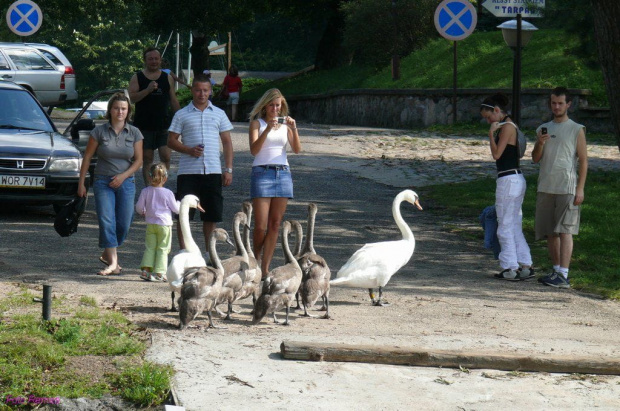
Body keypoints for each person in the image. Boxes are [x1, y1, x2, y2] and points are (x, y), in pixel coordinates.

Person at [77, 92, 144, 276]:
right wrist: (81, 183)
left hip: (126, 181)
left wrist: (123, 176)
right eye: (116, 108)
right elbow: (88, 157)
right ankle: (113, 262)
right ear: (110, 110)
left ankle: (107, 252)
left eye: (123, 108)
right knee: (107, 220)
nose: (120, 111)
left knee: (125, 221)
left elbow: (139, 161)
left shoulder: (135, 132)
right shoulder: (99, 131)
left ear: (128, 110)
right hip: (102, 181)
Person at [167, 73, 234, 255]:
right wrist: (188, 150)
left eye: (205, 90)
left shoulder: (219, 114)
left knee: (211, 214)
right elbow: (171, 140)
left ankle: (209, 252)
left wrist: (228, 169)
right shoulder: (182, 114)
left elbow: (227, 142)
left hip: (212, 171)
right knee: (184, 213)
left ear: (210, 91)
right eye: (198, 90)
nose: (201, 94)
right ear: (192, 91)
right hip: (188, 172)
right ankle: (184, 251)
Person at [532, 87, 588, 288]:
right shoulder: (543, 129)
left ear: (568, 104)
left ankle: (564, 273)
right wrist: (539, 143)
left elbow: (583, 161)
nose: (556, 106)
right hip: (546, 186)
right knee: (550, 232)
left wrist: (580, 188)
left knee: (566, 230)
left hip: (567, 186)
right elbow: (535, 158)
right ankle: (556, 271)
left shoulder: (576, 129)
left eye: (560, 103)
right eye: (553, 103)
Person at [248, 88, 302, 276]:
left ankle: (265, 268)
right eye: (271, 105)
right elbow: (254, 150)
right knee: (261, 225)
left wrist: (294, 129)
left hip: (283, 172)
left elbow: (296, 149)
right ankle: (255, 258)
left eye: (278, 105)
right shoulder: (257, 124)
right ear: (265, 105)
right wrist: (268, 129)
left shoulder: (286, 125)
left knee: (275, 224)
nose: (275, 109)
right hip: (262, 172)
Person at [480, 93, 533, 281]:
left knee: (504, 226)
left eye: (489, 117)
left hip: (508, 179)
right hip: (516, 178)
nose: (488, 121)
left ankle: (510, 267)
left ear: (496, 110)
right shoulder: (511, 125)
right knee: (514, 225)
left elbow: (496, 154)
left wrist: (490, 135)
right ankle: (525, 264)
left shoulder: (507, 128)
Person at [128, 47, 180, 185]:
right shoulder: (137, 77)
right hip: (144, 125)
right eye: (150, 59)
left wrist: (181, 118)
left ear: (160, 60)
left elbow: (173, 99)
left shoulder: (167, 77)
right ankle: (149, 188)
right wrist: (147, 90)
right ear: (145, 60)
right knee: (147, 158)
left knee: (166, 156)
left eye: (156, 59)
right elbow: (131, 98)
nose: (154, 61)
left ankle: (161, 185)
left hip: (164, 124)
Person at [135, 163, 180, 282]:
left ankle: (146, 270)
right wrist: (180, 204)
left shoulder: (145, 191)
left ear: (149, 177)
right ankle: (160, 272)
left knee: (150, 247)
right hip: (164, 225)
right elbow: (175, 209)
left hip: (151, 224)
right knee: (163, 248)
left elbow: (139, 207)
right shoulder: (168, 193)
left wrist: (144, 211)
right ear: (165, 178)